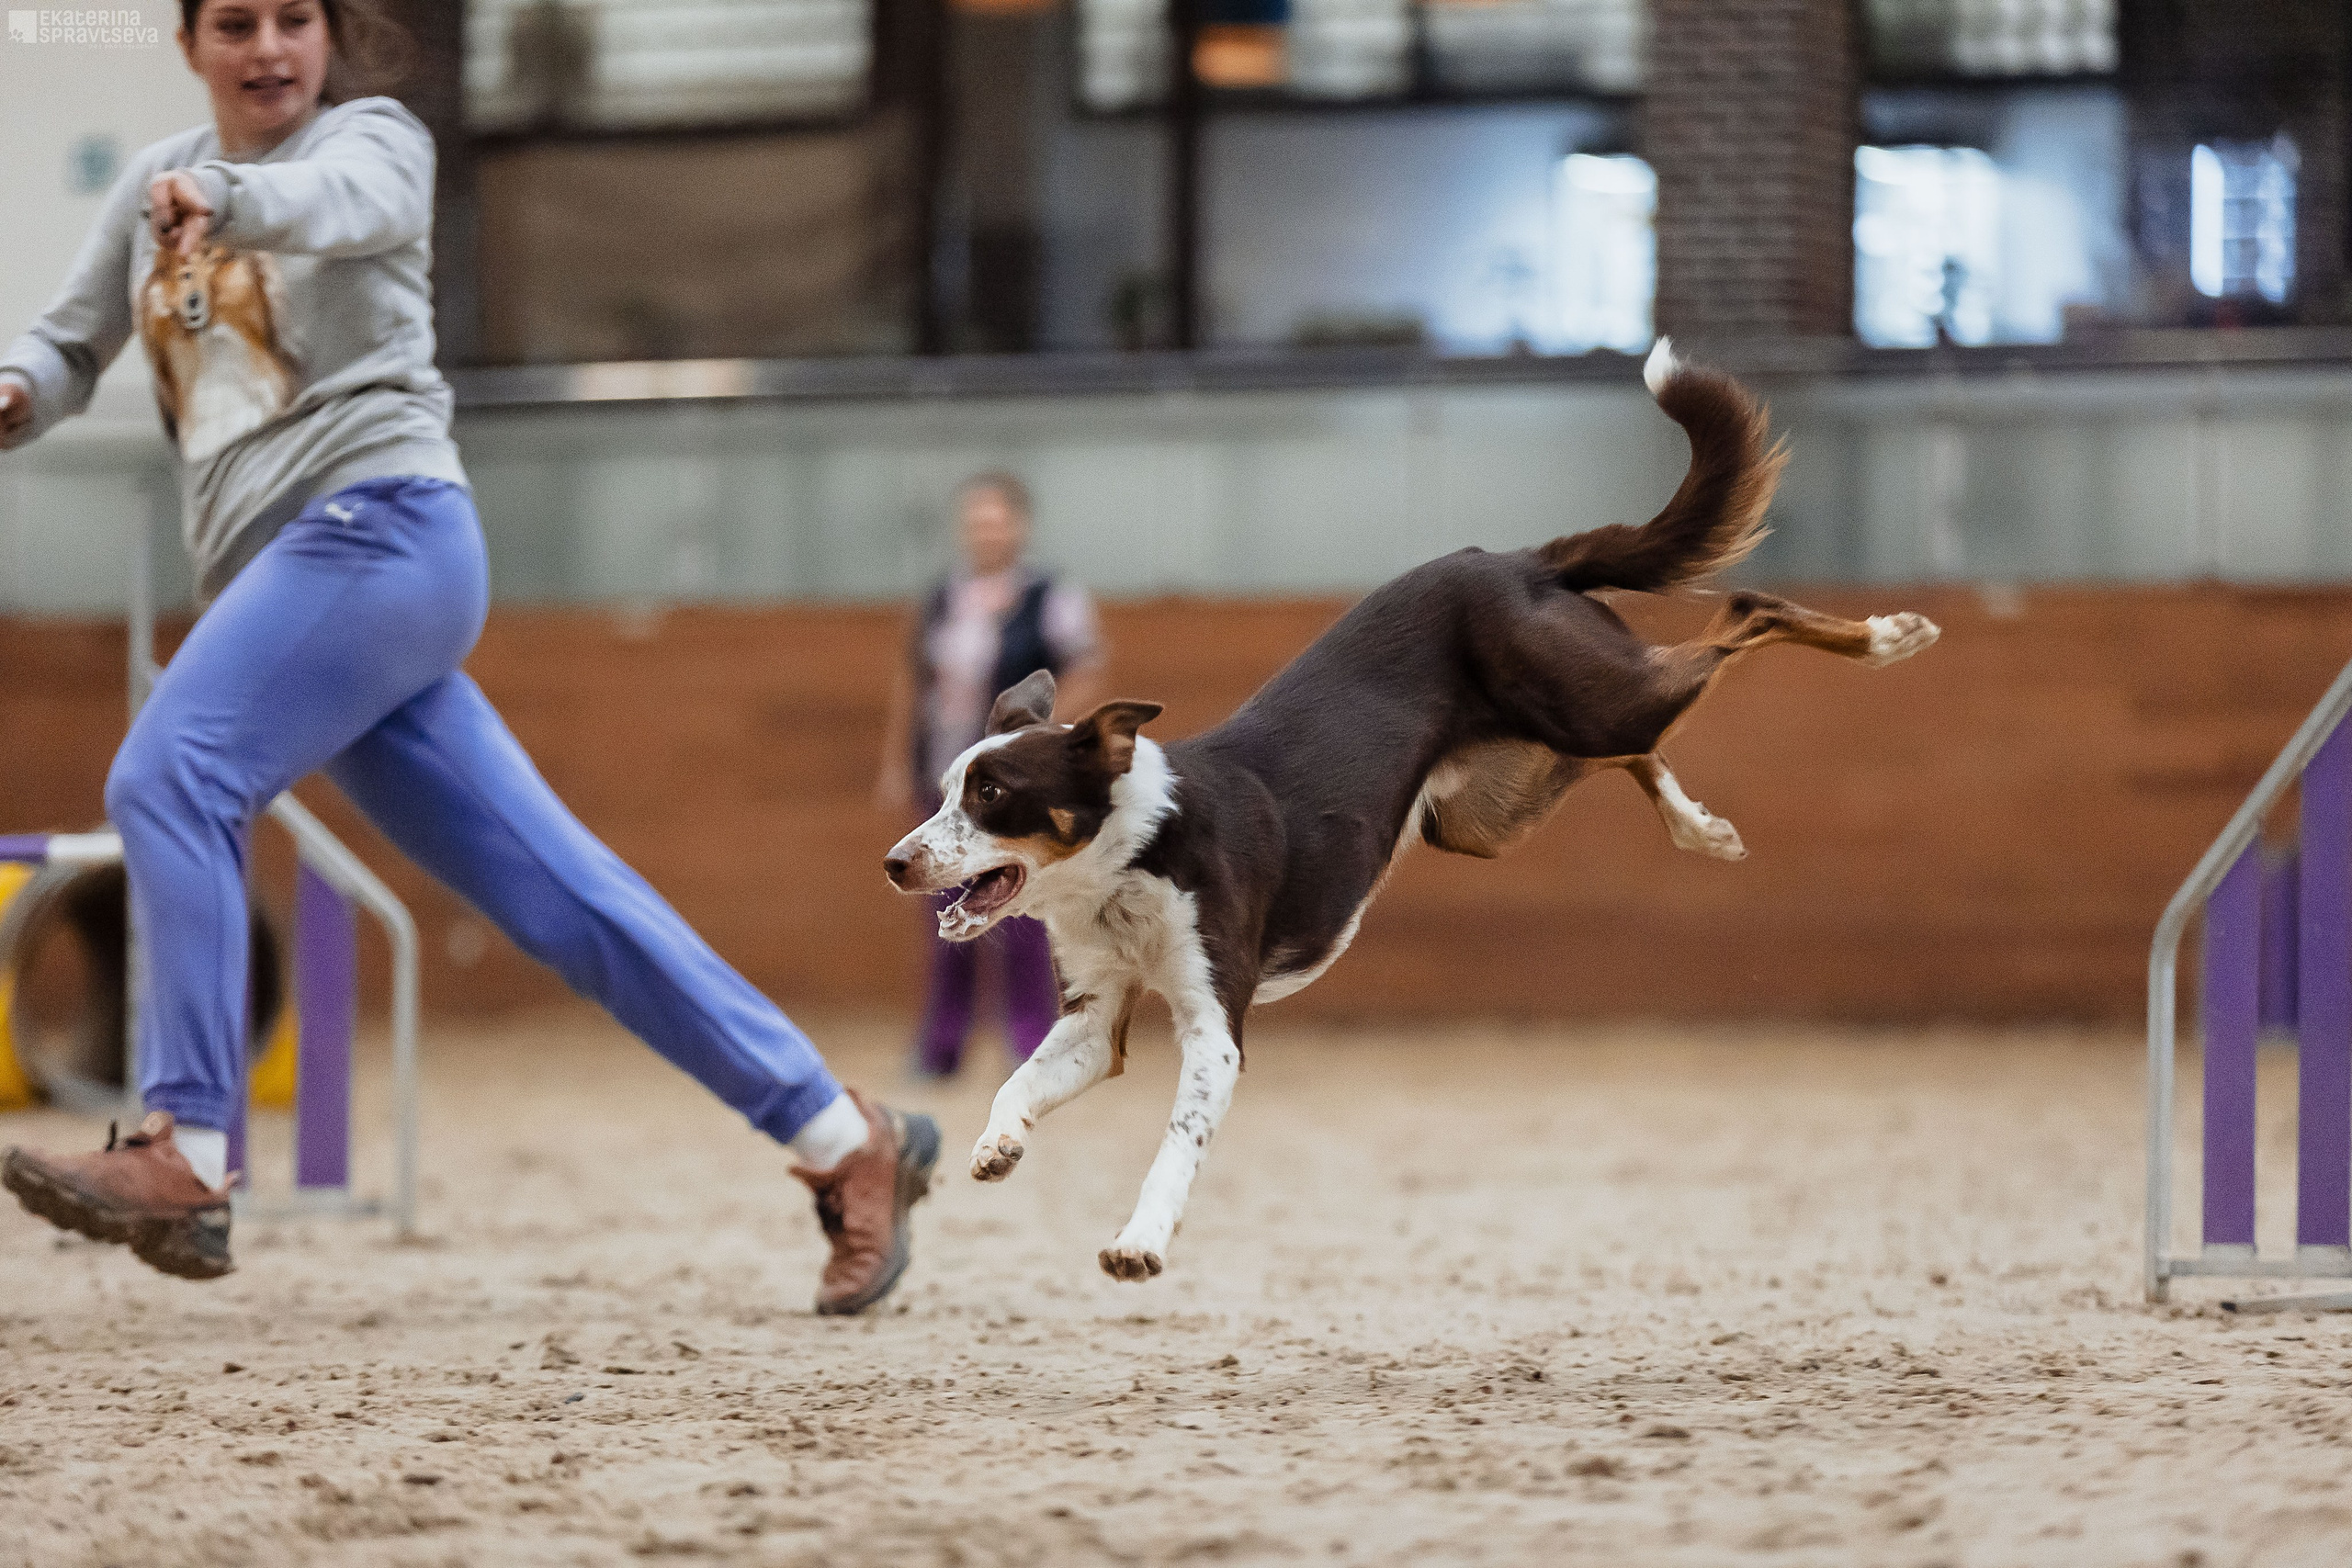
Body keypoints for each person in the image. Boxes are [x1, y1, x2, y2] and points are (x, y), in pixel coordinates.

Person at [0, 0, 937, 1314]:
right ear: (189, 45)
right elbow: (69, 340)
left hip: (382, 534)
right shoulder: (150, 191)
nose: (267, 47)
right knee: (560, 896)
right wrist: (20, 390)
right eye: (235, 24)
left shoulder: (375, 142)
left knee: (172, 773)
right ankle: (845, 1135)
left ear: (328, 35)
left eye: (293, 20)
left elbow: (336, 206)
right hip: (301, 604)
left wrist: (223, 198)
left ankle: (188, 1151)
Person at [876, 473, 1104, 1077]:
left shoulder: (1050, 595)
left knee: (1021, 910)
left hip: (1010, 790)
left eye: (997, 521)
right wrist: (897, 761)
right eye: (977, 522)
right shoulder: (941, 597)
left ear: (1019, 527)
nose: (987, 532)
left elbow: (1085, 669)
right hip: (945, 774)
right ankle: (941, 1047)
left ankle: (1031, 1042)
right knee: (943, 905)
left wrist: (1036, 741)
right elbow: (914, 681)